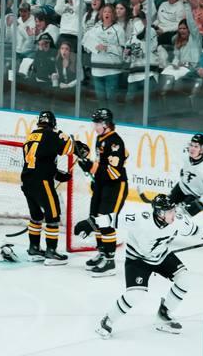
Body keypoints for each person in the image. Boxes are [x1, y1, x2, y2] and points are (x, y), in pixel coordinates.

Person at [95, 194, 203, 338]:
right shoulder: (141, 219)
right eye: (169, 211)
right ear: (159, 213)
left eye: (173, 210)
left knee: (184, 279)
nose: (173, 214)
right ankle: (108, 320)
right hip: (137, 259)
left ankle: (164, 314)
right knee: (135, 295)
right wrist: (90, 224)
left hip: (162, 255)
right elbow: (111, 219)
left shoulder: (177, 220)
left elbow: (194, 229)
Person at [74, 108, 128, 277]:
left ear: (105, 124)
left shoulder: (115, 142)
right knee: (95, 217)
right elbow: (100, 166)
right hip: (102, 185)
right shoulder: (100, 138)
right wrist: (90, 169)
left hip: (115, 186)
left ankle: (110, 261)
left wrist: (91, 166)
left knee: (105, 220)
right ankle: (102, 252)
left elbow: (114, 172)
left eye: (97, 123)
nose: (94, 126)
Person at [21, 110, 77, 266]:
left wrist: (57, 174)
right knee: (53, 215)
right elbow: (68, 147)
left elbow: (38, 161)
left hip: (27, 181)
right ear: (52, 123)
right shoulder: (51, 134)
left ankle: (33, 249)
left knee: (36, 215)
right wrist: (79, 147)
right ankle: (51, 252)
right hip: (42, 182)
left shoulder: (31, 136)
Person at [169, 133, 203, 217]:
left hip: (194, 195)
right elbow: (184, 168)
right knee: (165, 207)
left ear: (202, 149)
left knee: (178, 216)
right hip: (181, 187)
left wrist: (199, 205)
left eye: (196, 147)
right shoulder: (185, 153)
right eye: (191, 145)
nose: (192, 149)